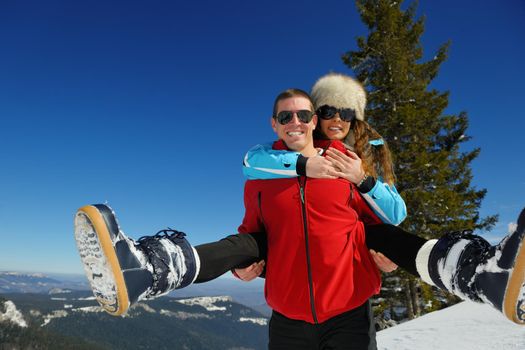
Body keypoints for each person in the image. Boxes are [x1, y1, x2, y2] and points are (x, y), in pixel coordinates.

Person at [74, 89, 525, 347]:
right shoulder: (260, 173)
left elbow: (394, 218)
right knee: (249, 243)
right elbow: (252, 232)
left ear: (314, 121)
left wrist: (364, 185)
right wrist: (244, 266)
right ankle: (148, 271)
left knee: (383, 233)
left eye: (303, 114)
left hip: (348, 312)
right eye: (285, 116)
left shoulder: (345, 165)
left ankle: (477, 274)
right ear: (274, 124)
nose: (295, 121)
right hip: (288, 319)